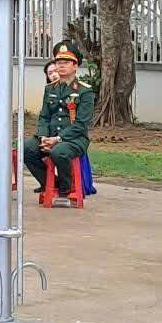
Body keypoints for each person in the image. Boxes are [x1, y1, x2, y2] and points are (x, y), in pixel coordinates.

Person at [22, 41, 96, 207]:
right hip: (50, 136)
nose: (60, 66)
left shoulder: (84, 91)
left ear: (75, 66)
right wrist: (43, 137)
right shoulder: (51, 89)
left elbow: (80, 124)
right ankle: (52, 183)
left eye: (65, 63)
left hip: (74, 139)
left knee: (58, 152)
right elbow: (44, 117)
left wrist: (57, 139)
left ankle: (66, 187)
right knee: (27, 148)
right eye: (58, 62)